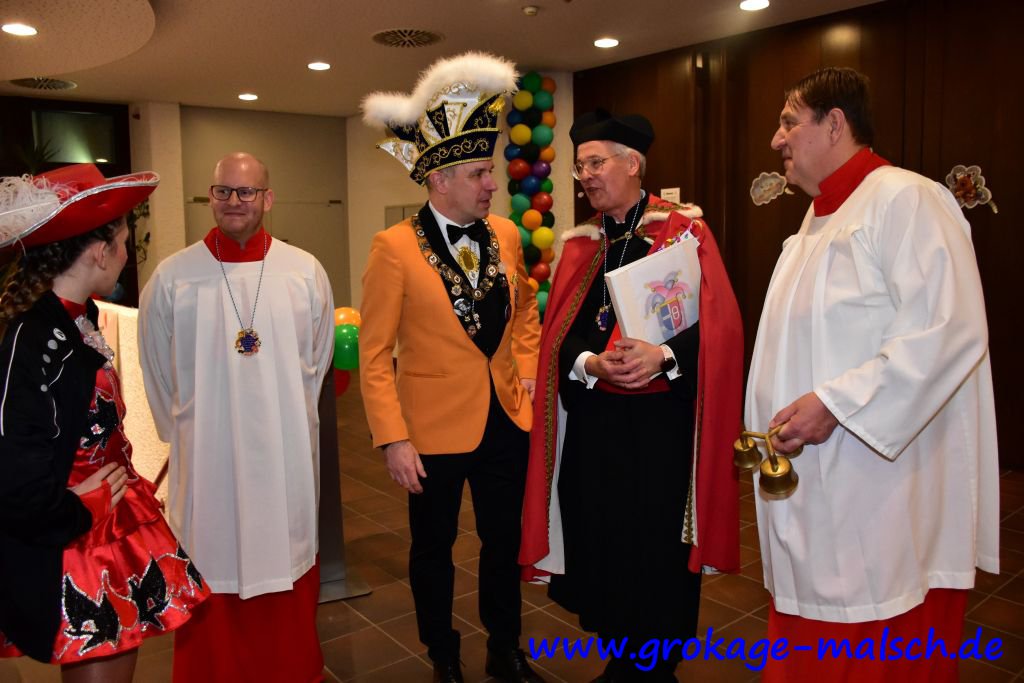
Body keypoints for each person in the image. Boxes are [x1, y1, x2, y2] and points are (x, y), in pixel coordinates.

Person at [746, 67, 999, 681]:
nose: (776, 140)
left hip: (879, 489)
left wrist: (837, 404)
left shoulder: (907, 199)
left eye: (788, 123)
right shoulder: (815, 220)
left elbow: (948, 329)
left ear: (835, 124)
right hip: (818, 484)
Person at [519, 110, 744, 682]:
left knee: (656, 553)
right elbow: (560, 339)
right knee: (603, 546)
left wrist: (661, 356)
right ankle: (622, 661)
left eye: (596, 163)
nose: (586, 176)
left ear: (633, 164)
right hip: (596, 431)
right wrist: (589, 364)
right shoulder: (582, 245)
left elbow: (719, 329)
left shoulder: (685, 234)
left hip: (659, 433)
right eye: (580, 167)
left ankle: (657, 670)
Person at [360, 52, 543, 683]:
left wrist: (526, 370)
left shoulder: (507, 234)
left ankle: (505, 648)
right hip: (430, 432)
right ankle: (442, 653)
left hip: (505, 419)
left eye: (490, 171)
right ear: (439, 179)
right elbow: (374, 353)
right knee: (434, 548)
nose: (492, 183)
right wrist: (393, 437)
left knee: (504, 543)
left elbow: (525, 312)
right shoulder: (392, 248)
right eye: (479, 173)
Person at [0, 164, 209, 681]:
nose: (125, 257)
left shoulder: (78, 317)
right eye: (123, 245)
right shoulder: (33, 336)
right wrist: (77, 507)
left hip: (105, 522)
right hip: (75, 538)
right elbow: (14, 465)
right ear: (98, 251)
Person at [138, 152, 334, 683]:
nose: (233, 202)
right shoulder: (173, 278)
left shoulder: (304, 271)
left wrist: (284, 419)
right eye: (222, 191)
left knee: (286, 561)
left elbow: (314, 369)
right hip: (209, 463)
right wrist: (192, 433)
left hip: (285, 460)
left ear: (268, 199)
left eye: (246, 192)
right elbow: (157, 373)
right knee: (212, 560)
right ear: (210, 197)